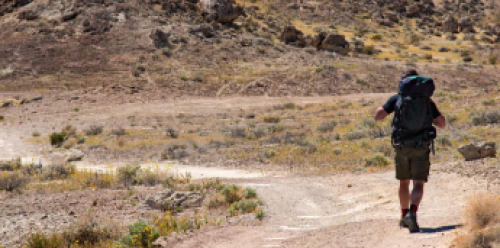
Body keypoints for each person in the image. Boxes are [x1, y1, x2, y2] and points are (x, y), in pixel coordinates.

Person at [373, 69, 446, 233]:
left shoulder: (397, 98)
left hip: (402, 145)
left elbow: (378, 115)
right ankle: (413, 212)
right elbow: (442, 123)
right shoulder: (427, 101)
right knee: (419, 183)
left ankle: (404, 215)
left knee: (404, 181)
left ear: (403, 82)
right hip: (421, 145)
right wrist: (429, 120)